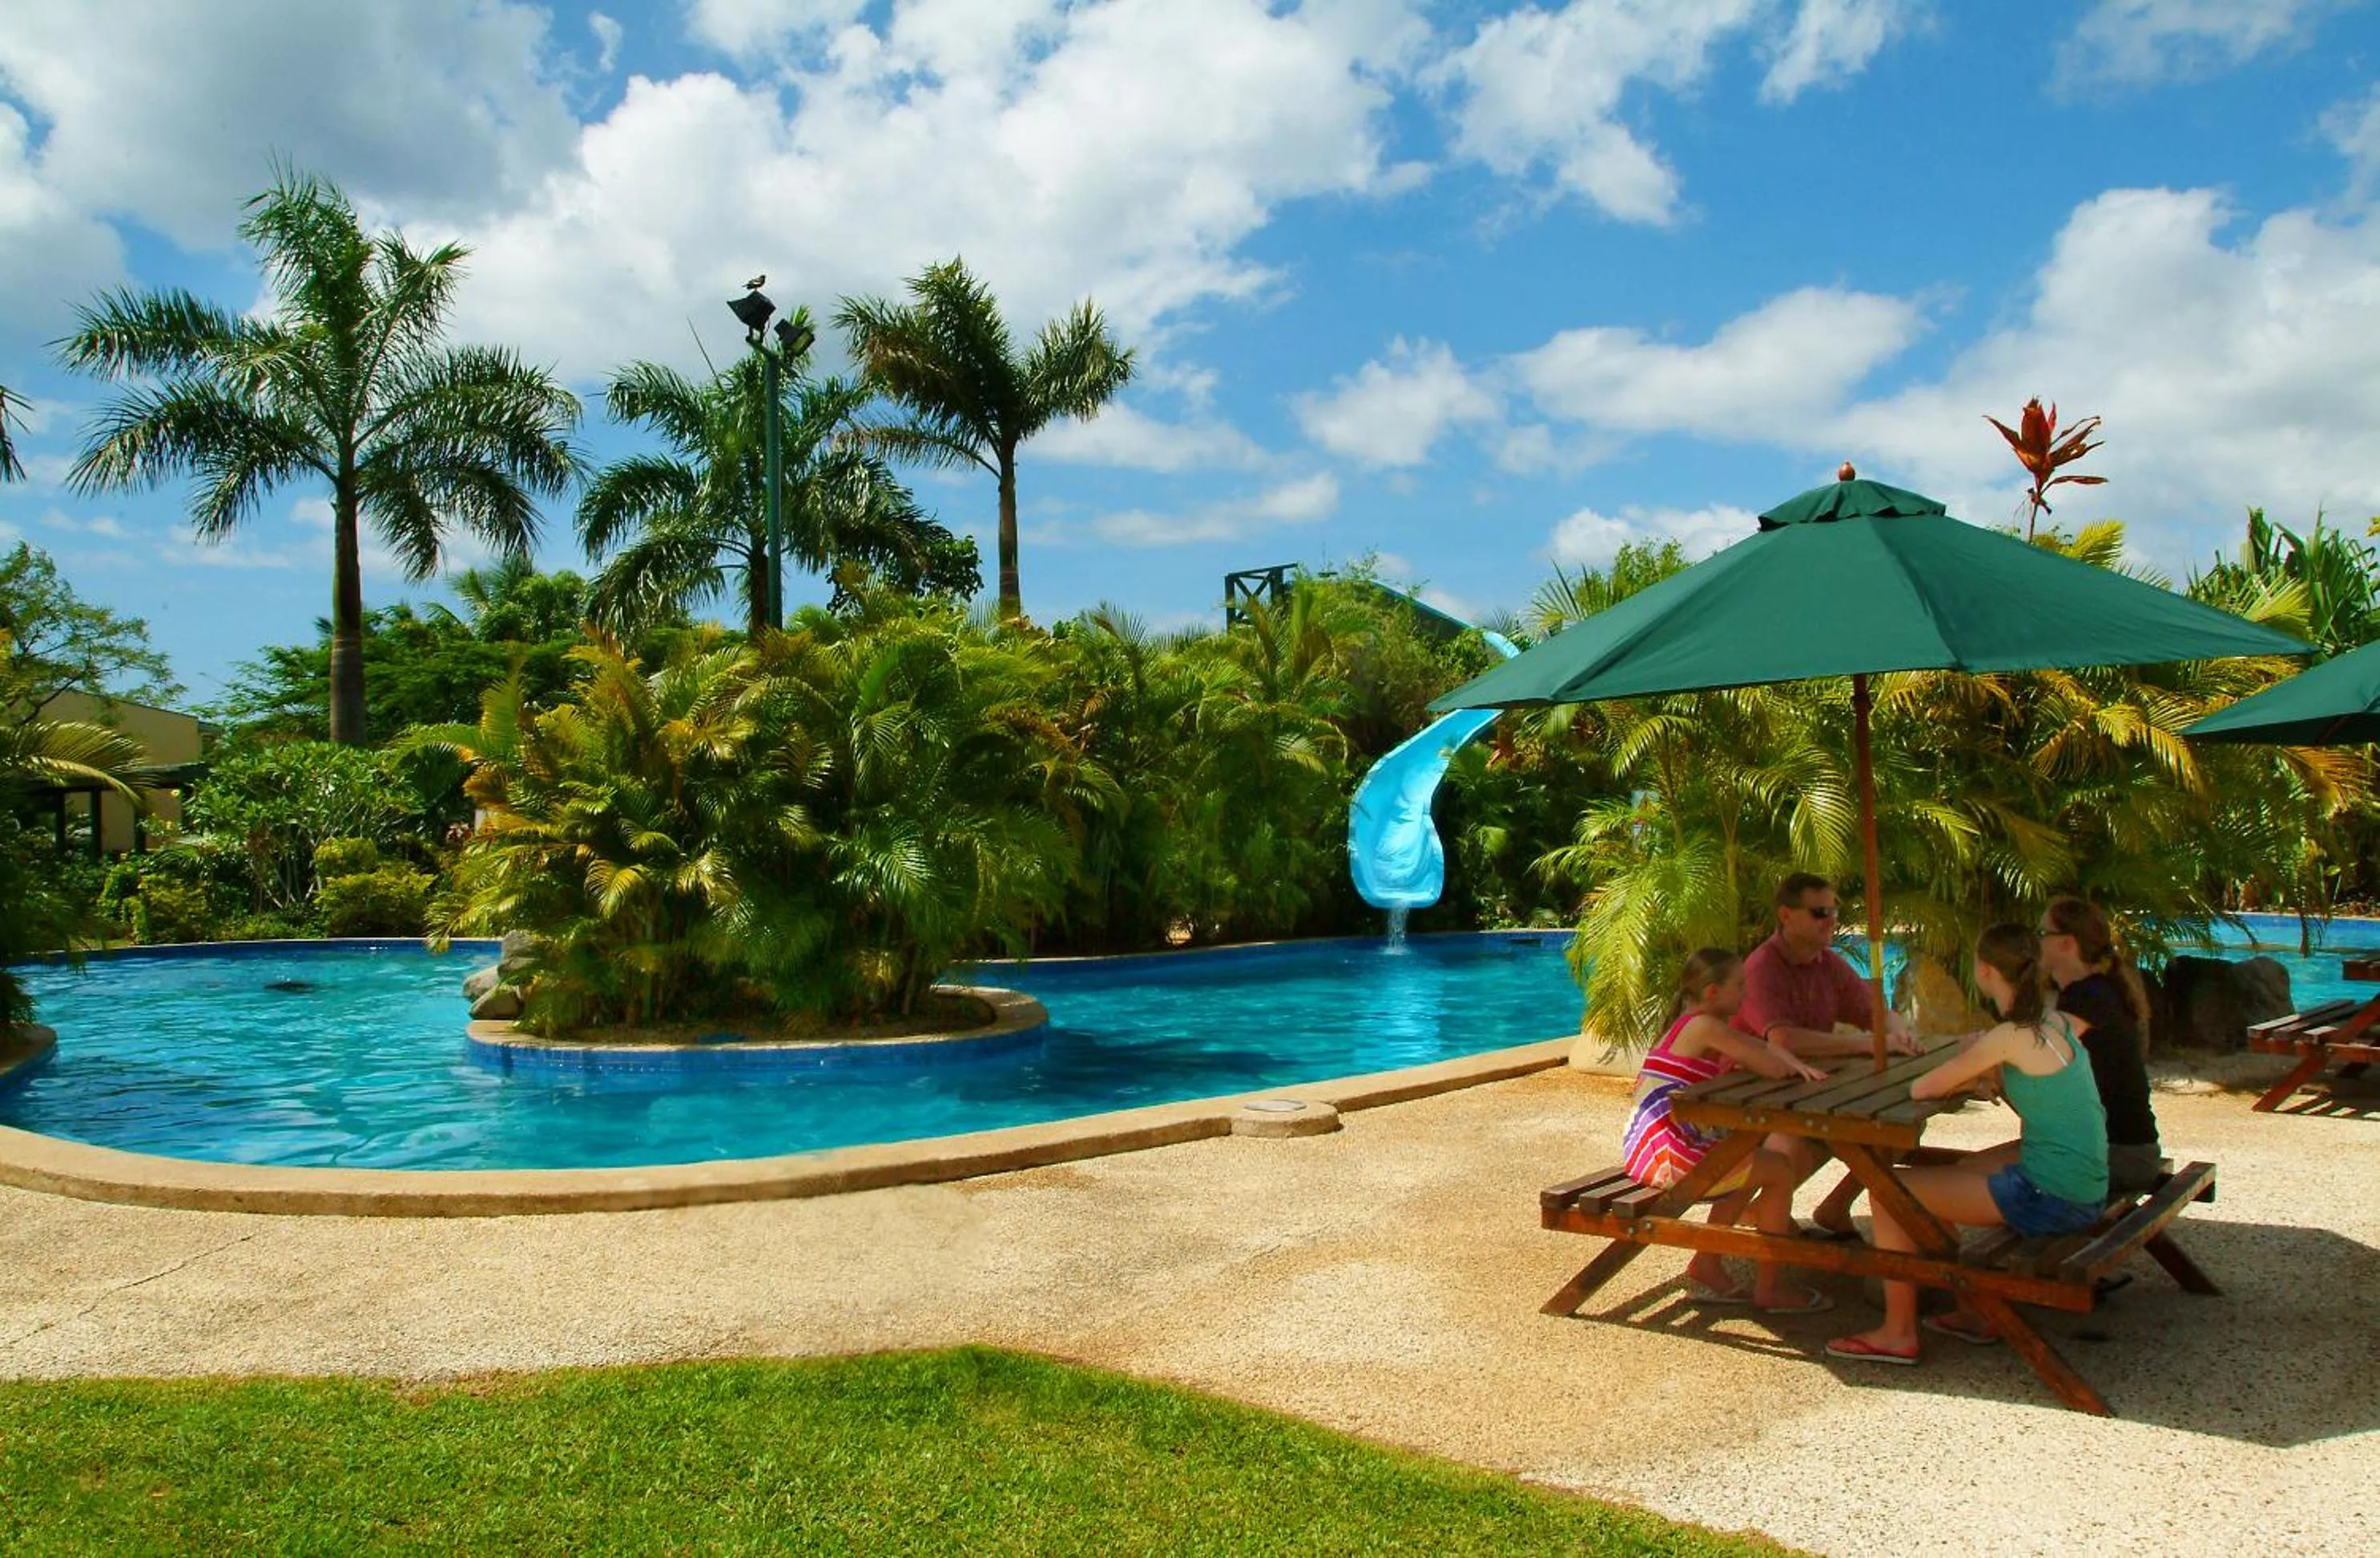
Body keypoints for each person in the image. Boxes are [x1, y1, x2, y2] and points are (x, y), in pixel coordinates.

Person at [1825, 924, 2109, 1365]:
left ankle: (1898, 1333)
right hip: (2087, 1184)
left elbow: (1923, 1089)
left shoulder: (2008, 1035)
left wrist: (1976, 1067)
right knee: (1961, 1168)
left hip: (2053, 1197)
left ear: (1985, 971)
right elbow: (2044, 1092)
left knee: (1888, 1193)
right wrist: (1985, 1072)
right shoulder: (2057, 1022)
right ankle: (1971, 1307)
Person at [1621, 948, 1835, 1313]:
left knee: (1746, 1158)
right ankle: (1769, 1291)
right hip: (1670, 1158)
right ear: (1712, 993)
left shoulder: (1687, 1024)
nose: (1746, 994)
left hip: (1647, 1150)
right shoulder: (1706, 1026)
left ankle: (1708, 1262)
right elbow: (1772, 1065)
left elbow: (1765, 1048)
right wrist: (1789, 1061)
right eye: (1740, 986)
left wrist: (1782, 1055)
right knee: (1779, 1170)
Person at [1738, 872, 1921, 1238]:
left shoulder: (1827, 963)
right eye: (1820, 912)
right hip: (1747, 1096)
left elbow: (1873, 1011)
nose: (1832, 919)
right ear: (1786, 916)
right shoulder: (1762, 967)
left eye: (1835, 910)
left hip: (1805, 1091)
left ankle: (1834, 1207)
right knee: (1793, 1139)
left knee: (1900, 1125)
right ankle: (1764, 1216)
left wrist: (1899, 1027)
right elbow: (1784, 1039)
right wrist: (1870, 1044)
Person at [2040, 896, 2163, 1198]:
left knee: (1988, 1175)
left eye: (2042, 934)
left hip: (2119, 1156)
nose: (2035, 942)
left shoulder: (2088, 998)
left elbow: (2039, 1058)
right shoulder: (2097, 988)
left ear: (2067, 943)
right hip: (2125, 1149)